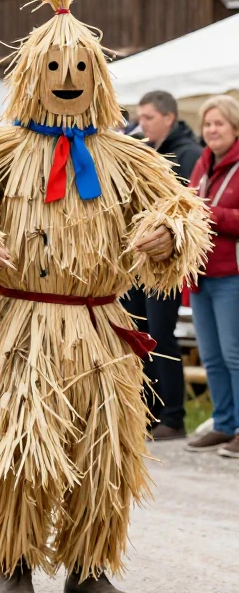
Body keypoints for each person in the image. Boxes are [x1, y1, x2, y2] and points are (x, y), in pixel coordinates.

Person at [0, 0, 210, 593]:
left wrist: (168, 232)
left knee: (105, 453)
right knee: (22, 447)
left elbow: (186, 208)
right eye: (55, 70)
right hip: (25, 324)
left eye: (80, 71)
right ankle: (15, 564)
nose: (69, 81)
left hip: (102, 326)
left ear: (98, 78)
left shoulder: (126, 157)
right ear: (32, 76)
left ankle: (88, 566)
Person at [126, 90, 204, 440]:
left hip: (165, 265)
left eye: (148, 118)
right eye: (140, 118)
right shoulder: (146, 151)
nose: (141, 125)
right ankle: (148, 410)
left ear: (168, 117)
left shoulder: (187, 154)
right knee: (139, 337)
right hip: (138, 263)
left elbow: (187, 211)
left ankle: (173, 415)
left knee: (160, 337)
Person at [185, 95, 239, 458]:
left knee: (235, 354)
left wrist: (211, 214)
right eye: (207, 124)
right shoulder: (203, 164)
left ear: (235, 127)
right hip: (201, 275)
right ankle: (223, 424)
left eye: (219, 123)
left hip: (231, 274)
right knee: (212, 356)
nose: (212, 130)